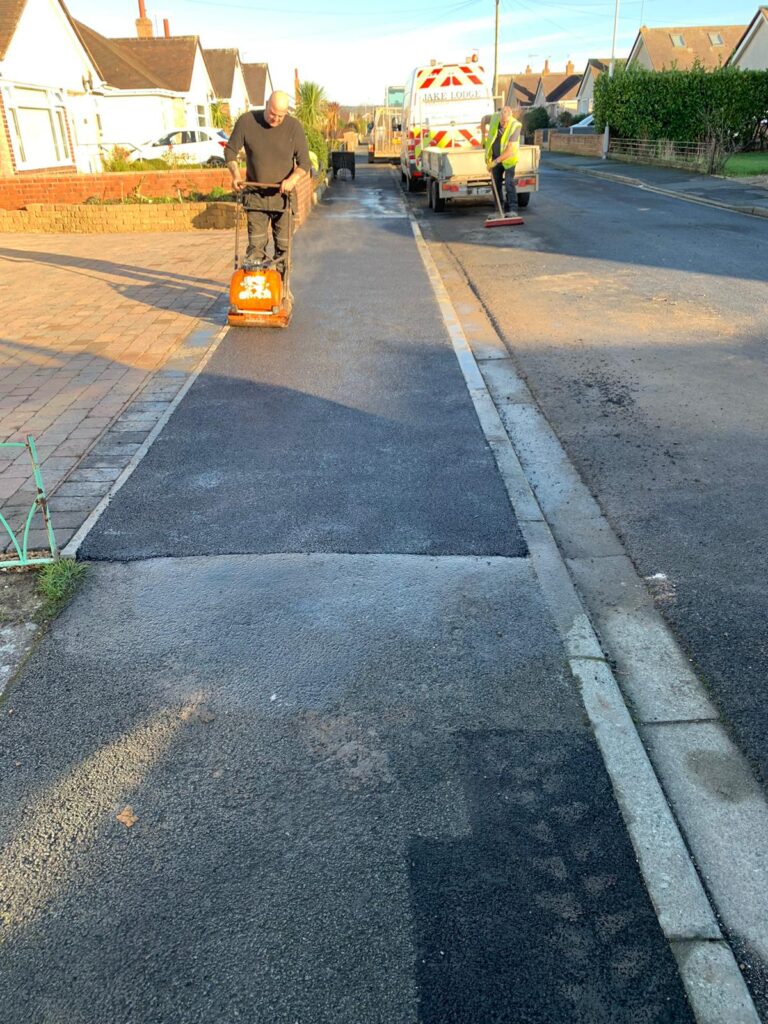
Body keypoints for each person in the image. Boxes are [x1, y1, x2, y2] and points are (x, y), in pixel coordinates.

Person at [224, 91, 310, 295]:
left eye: (281, 116)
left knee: (283, 248)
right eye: (273, 113)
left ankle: (282, 290)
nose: (276, 119)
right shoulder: (246, 122)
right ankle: (257, 293)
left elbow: (304, 163)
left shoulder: (293, 127)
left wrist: (292, 179)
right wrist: (236, 175)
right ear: (266, 104)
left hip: (283, 198)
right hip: (255, 196)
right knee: (256, 247)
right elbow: (230, 151)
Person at [483, 105, 522, 214]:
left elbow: (509, 150)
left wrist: (495, 162)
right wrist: (483, 135)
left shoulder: (515, 126)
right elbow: (483, 119)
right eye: (502, 121)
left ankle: (513, 210)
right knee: (495, 183)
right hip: (495, 156)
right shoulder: (495, 117)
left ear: (510, 117)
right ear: (500, 116)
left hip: (509, 159)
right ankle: (499, 210)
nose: (503, 124)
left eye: (505, 122)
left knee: (509, 182)